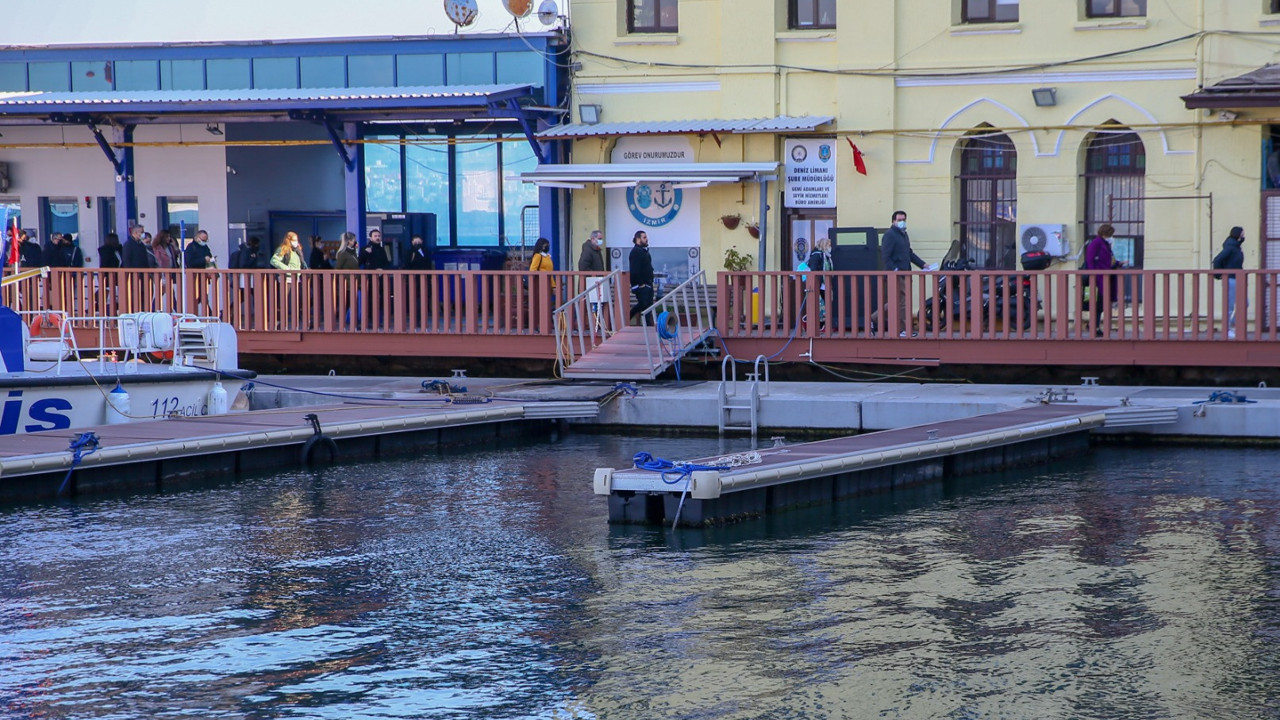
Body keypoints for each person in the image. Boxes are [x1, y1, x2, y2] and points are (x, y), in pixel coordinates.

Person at [876, 210, 926, 336]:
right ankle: (903, 330)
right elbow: (885, 256)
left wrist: (923, 265)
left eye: (903, 219)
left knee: (897, 301)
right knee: (902, 302)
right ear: (893, 221)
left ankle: (873, 318)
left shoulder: (904, 234)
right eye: (899, 220)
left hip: (905, 273)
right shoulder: (890, 235)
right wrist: (895, 270)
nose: (902, 222)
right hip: (896, 275)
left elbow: (909, 253)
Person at [1084, 223, 1125, 337]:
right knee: (1098, 304)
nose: (1111, 236)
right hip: (1098, 278)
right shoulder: (1096, 243)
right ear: (1105, 233)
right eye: (1110, 234)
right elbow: (1090, 260)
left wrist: (1118, 263)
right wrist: (1093, 275)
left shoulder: (1104, 244)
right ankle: (1094, 326)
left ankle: (1094, 325)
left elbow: (1108, 260)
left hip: (1105, 278)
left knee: (1101, 304)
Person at [1212, 225, 1246, 338]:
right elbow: (1217, 260)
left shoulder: (1236, 247)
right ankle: (1227, 329)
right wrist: (1218, 274)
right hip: (1231, 279)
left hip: (1238, 279)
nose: (1244, 235)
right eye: (1242, 233)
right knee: (1230, 306)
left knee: (1245, 302)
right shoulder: (1230, 247)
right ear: (1238, 234)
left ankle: (1233, 322)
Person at [628, 230, 654, 324]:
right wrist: (641, 284)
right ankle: (627, 318)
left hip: (648, 283)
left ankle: (648, 325)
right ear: (638, 239)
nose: (647, 239)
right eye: (644, 237)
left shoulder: (644, 251)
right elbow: (634, 270)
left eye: (646, 237)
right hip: (641, 285)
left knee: (648, 306)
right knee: (643, 304)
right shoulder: (636, 252)